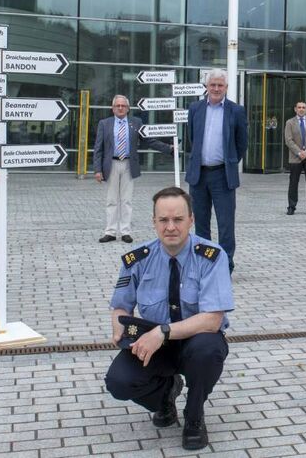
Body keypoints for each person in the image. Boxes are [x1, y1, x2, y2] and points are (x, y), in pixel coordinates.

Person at [105, 186, 234, 451]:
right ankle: (165, 396)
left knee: (207, 350)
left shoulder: (211, 256)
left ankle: (195, 415)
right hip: (156, 344)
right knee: (118, 381)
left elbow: (212, 319)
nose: (171, 227)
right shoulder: (137, 259)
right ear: (154, 222)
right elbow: (120, 307)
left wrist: (163, 331)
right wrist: (119, 327)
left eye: (178, 219)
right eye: (163, 220)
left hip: (195, 341)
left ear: (191, 220)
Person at [184, 69, 247, 271]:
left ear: (226, 88)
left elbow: (242, 143)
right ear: (207, 87)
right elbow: (191, 138)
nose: (216, 88)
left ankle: (225, 265)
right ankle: (205, 263)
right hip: (199, 175)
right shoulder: (195, 108)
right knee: (201, 223)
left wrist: (229, 161)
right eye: (213, 85)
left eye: (220, 85)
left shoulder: (236, 111)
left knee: (225, 224)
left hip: (222, 175)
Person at [93, 95, 173, 243]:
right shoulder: (104, 124)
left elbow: (149, 140)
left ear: (128, 108)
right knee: (111, 200)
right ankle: (110, 232)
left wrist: (168, 149)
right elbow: (98, 148)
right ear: (113, 108)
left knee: (126, 200)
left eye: (123, 106)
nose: (120, 108)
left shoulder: (136, 123)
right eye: (117, 106)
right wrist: (97, 169)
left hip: (129, 165)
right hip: (111, 164)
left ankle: (125, 232)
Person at [283, 101, 306, 215]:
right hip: (295, 157)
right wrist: (299, 152)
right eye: (299, 107)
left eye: (303, 107)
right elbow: (288, 140)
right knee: (293, 183)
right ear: (295, 109)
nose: (301, 109)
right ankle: (291, 207)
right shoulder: (290, 122)